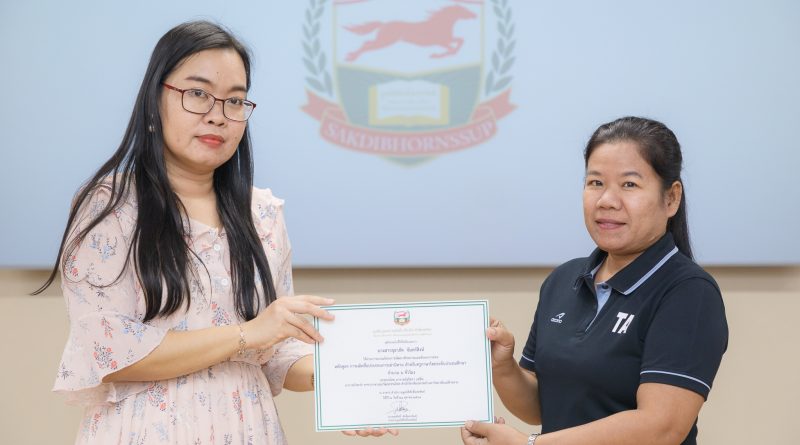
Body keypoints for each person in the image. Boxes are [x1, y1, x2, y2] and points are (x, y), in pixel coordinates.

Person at [36, 21, 394, 444]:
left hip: (249, 430)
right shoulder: (110, 206)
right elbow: (107, 350)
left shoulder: (263, 214)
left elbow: (275, 351)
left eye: (235, 101)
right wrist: (246, 334)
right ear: (155, 99)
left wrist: (344, 383)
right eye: (197, 93)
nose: (217, 115)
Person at [461, 117, 728, 445]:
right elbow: (541, 406)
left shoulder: (689, 292)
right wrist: (503, 367)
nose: (606, 200)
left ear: (671, 198)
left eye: (629, 185)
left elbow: (661, 427)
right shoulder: (564, 279)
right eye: (596, 182)